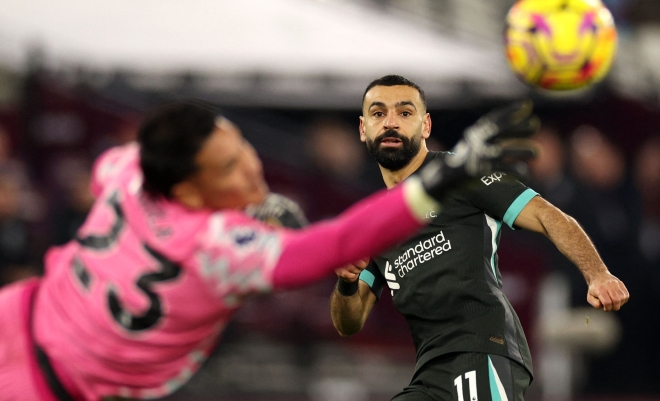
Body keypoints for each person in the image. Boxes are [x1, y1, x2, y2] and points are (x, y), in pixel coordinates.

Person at [0, 100, 535, 401]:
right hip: (41, 386)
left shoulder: (127, 172)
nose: (251, 168)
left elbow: (116, 170)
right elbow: (337, 243)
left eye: (241, 147)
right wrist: (441, 180)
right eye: (228, 166)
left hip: (15, 314)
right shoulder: (221, 251)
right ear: (189, 190)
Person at [329, 75, 630, 401]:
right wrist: (346, 281)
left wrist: (597, 273)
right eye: (378, 113)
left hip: (482, 349)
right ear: (363, 129)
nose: (390, 123)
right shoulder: (375, 222)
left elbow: (546, 215)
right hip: (429, 374)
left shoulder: (460, 176)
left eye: (404, 113)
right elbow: (350, 321)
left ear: (426, 125)